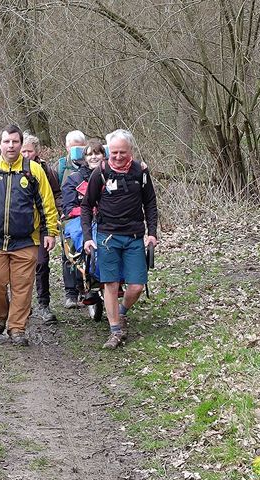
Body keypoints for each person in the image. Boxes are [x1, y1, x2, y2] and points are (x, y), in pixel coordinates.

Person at [0, 124, 59, 346]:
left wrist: (50, 232)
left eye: (15, 142)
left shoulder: (33, 171)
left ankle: (17, 328)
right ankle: (0, 314)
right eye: (7, 141)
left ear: (20, 144)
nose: (11, 146)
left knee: (22, 287)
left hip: (25, 240)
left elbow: (47, 203)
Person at [81, 129, 158, 349]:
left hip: (134, 236)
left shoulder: (140, 172)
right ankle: (115, 331)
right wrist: (88, 237)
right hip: (107, 237)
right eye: (113, 152)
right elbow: (86, 205)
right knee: (111, 284)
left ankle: (121, 312)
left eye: (122, 152)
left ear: (130, 150)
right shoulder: (101, 172)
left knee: (136, 287)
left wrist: (152, 233)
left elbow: (150, 203)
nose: (117, 156)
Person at [20, 133, 62, 325]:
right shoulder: (11, 169)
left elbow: (57, 194)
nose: (26, 154)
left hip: (43, 225)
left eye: (29, 151)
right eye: (23, 151)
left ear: (37, 152)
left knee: (42, 264)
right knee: (20, 268)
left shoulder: (46, 170)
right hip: (19, 227)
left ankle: (44, 304)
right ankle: (22, 307)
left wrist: (60, 216)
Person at [57, 130, 88, 308]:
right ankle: (71, 293)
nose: (76, 149)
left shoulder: (94, 162)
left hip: (87, 214)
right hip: (65, 216)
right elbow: (53, 191)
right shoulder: (60, 166)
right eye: (73, 146)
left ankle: (85, 287)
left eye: (80, 145)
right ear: (66, 147)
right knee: (68, 253)